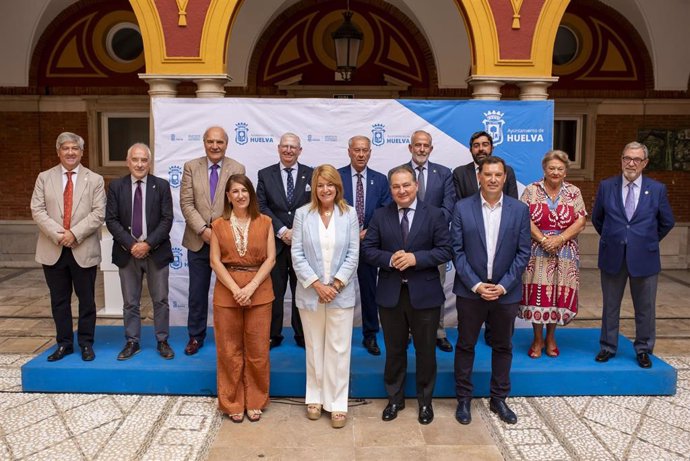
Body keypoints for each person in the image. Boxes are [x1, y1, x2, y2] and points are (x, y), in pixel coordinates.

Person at [362, 164, 452, 425]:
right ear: (390, 189)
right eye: (396, 186)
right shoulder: (380, 215)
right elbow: (368, 250)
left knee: (426, 351)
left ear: (416, 186)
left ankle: (425, 403)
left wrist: (416, 258)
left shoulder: (434, 215)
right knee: (394, 350)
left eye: (406, 185)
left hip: (424, 295)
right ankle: (395, 399)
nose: (401, 190)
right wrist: (391, 259)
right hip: (391, 295)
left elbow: (446, 250)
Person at [452, 156, 530, 426]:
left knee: (503, 346)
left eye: (498, 174)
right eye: (488, 174)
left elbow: (523, 253)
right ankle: (463, 398)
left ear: (505, 177)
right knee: (465, 345)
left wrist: (502, 285)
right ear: (479, 177)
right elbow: (457, 251)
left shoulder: (520, 210)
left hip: (505, 292)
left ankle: (499, 398)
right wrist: (475, 284)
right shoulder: (462, 208)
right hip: (470, 291)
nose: (493, 179)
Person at [592, 141, 675, 369]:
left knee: (645, 308)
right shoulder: (606, 185)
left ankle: (643, 350)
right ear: (621, 159)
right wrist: (615, 238)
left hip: (645, 258)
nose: (631, 163)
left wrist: (646, 241)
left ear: (644, 163)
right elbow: (598, 218)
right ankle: (608, 347)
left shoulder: (657, 189)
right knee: (610, 306)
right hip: (613, 255)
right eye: (627, 158)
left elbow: (667, 221)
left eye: (636, 159)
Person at [291, 164, 360, 429]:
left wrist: (336, 284)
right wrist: (318, 285)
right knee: (315, 347)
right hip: (311, 294)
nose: (325, 189)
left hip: (341, 294)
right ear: (314, 188)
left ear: (338, 187)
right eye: (320, 185)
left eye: (330, 184)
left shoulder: (349, 214)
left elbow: (354, 253)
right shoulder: (302, 215)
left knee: (339, 349)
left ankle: (337, 403)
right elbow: (296, 254)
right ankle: (315, 398)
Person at [30, 132, 105, 362]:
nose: (70, 152)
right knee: (59, 300)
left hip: (82, 248)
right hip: (53, 249)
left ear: (82, 152)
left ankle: (85, 343)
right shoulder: (44, 177)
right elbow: (37, 209)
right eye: (66, 148)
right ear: (58, 151)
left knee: (87, 300)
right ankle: (64, 343)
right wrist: (60, 234)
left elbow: (98, 212)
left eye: (75, 148)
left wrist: (74, 234)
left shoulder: (95, 179)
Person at [209, 174, 276, 423]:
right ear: (228, 196)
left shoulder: (266, 221)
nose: (240, 195)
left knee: (258, 350)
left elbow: (271, 259)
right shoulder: (217, 224)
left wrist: (251, 288)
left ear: (251, 193)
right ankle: (232, 401)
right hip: (227, 293)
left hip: (259, 291)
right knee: (229, 350)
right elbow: (215, 261)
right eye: (235, 191)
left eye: (244, 190)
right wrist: (236, 289)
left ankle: (256, 400)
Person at [105, 143, 175, 361]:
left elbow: (167, 219)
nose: (139, 164)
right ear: (128, 162)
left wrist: (148, 244)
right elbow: (111, 219)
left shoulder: (161, 186)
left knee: (161, 299)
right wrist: (131, 244)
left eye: (144, 160)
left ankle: (162, 340)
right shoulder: (116, 186)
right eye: (135, 159)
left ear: (150, 163)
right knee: (130, 302)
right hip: (127, 253)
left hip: (156, 252)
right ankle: (132, 341)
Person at [180, 126, 245, 356]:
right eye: (210, 142)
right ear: (204, 143)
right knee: (197, 293)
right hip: (197, 241)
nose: (215, 146)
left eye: (219, 142)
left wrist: (217, 233)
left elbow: (238, 204)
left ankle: (231, 336)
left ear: (226, 144)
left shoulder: (237, 168)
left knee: (230, 291)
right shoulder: (190, 167)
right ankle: (195, 337)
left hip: (227, 241)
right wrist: (203, 231)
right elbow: (186, 203)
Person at [453, 131, 519, 346]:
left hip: (500, 240)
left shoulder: (507, 171)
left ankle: (494, 335)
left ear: (491, 147)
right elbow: (459, 206)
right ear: (471, 149)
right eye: (476, 145)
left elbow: (512, 204)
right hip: (472, 240)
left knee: (501, 339)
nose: (481, 148)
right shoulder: (460, 173)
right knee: (467, 339)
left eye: (485, 144)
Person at [519, 150, 586, 358]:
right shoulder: (531, 190)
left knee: (557, 295)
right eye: (551, 168)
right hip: (537, 252)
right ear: (544, 170)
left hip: (565, 252)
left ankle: (551, 338)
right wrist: (543, 239)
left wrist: (560, 239)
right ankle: (538, 339)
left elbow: (581, 220)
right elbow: (522, 218)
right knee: (538, 295)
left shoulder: (574, 192)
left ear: (565, 171)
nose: (555, 172)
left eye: (560, 169)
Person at [257, 132, 314, 349]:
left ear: (300, 150)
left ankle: (302, 335)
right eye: (285, 146)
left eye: (293, 147)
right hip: (276, 244)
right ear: (278, 148)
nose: (289, 150)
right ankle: (274, 334)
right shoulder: (265, 174)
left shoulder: (312, 174)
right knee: (275, 292)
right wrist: (282, 230)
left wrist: (296, 232)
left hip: (302, 244)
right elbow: (261, 206)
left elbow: (315, 205)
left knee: (303, 290)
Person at [338, 135, 391, 356]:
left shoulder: (380, 180)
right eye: (357, 150)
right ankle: (338, 336)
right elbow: (329, 206)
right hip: (341, 245)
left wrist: (369, 232)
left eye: (365, 150)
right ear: (349, 151)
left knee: (370, 292)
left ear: (370, 152)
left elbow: (386, 209)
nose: (361, 154)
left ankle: (370, 335)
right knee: (338, 290)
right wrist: (351, 232)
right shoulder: (337, 177)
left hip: (369, 245)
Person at [405, 130, 455, 352]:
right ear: (410, 148)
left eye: (426, 145)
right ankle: (406, 331)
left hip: (435, 243)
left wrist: (427, 228)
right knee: (405, 290)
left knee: (436, 289)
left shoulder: (444, 173)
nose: (422, 149)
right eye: (418, 145)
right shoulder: (399, 173)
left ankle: (438, 332)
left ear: (431, 149)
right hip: (405, 242)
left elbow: (448, 207)